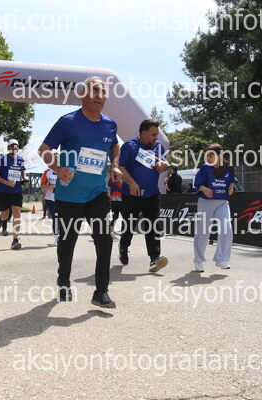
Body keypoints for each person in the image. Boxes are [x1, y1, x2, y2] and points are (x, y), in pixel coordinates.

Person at [38, 76, 122, 308]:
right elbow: (44, 149)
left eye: (102, 92)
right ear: (83, 94)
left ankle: (101, 291)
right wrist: (58, 168)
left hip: (97, 193)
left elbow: (114, 145)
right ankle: (63, 279)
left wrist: (115, 165)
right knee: (67, 242)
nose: (99, 96)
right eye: (94, 91)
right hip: (69, 194)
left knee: (104, 239)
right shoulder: (67, 122)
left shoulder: (110, 124)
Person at [118, 119, 169, 273]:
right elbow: (121, 168)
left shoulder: (158, 147)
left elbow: (163, 165)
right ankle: (123, 246)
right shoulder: (129, 146)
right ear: (143, 133)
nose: (156, 137)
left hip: (152, 195)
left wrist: (164, 166)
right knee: (129, 226)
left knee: (153, 226)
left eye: (157, 134)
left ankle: (154, 258)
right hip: (131, 195)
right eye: (153, 134)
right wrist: (132, 183)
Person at [193, 143, 235, 272]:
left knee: (227, 228)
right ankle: (198, 260)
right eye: (207, 156)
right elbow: (197, 185)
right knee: (203, 231)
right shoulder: (205, 168)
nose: (208, 159)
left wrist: (231, 187)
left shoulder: (229, 168)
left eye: (211, 156)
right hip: (206, 202)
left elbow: (231, 182)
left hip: (222, 202)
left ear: (219, 156)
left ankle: (222, 259)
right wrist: (204, 188)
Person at [0, 139, 26, 250]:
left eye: (15, 146)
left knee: (17, 213)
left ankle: (15, 240)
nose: (14, 148)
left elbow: (23, 171)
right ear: (8, 148)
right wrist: (6, 182)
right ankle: (1, 218)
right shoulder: (2, 159)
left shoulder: (21, 159)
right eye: (11, 146)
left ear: (18, 148)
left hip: (16, 191)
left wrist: (25, 178)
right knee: (5, 214)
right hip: (3, 191)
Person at [41, 167, 59, 245]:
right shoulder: (47, 172)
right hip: (50, 199)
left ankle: (61, 237)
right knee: (55, 218)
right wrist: (49, 187)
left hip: (63, 198)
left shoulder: (65, 170)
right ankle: (57, 238)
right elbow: (42, 185)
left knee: (62, 218)